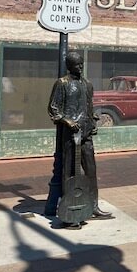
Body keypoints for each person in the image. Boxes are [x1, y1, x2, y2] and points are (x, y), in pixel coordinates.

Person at [48, 52, 112, 227]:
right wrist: (67, 121)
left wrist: (93, 121)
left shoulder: (87, 84)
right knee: (69, 173)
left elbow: (89, 108)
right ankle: (70, 210)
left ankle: (93, 206)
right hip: (70, 136)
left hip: (86, 135)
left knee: (91, 172)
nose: (80, 68)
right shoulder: (62, 84)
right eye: (77, 65)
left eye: (82, 64)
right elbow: (54, 109)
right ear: (70, 66)